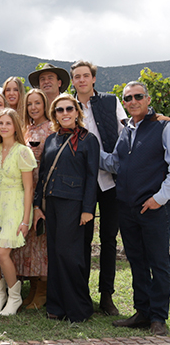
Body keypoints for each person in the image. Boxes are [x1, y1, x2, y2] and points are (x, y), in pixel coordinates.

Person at [100, 82, 170, 336]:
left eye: (138, 96)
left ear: (148, 99)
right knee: (137, 262)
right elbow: (114, 163)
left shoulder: (163, 126)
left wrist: (159, 198)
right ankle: (142, 312)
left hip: (153, 208)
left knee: (159, 262)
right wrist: (88, 146)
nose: (132, 101)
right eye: (127, 98)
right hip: (127, 208)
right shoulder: (126, 130)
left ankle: (159, 317)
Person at [33, 94, 98, 323]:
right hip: (50, 204)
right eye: (59, 110)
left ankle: (78, 309)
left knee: (70, 256)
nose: (65, 113)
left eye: (69, 108)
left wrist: (88, 209)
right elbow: (42, 175)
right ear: (54, 115)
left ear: (77, 112)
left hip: (75, 204)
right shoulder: (51, 140)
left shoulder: (88, 140)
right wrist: (37, 205)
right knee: (55, 254)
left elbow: (92, 177)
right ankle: (57, 306)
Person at [71, 60, 126, 316]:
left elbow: (126, 132)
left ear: (93, 79)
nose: (81, 80)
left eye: (85, 76)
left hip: (110, 180)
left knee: (108, 239)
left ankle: (106, 296)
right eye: (77, 77)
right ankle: (82, 294)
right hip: (80, 182)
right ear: (72, 81)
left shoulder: (110, 101)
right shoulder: (67, 104)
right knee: (81, 239)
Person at [0, 108, 36, 316]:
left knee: (2, 251)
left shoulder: (23, 151)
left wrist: (25, 220)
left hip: (16, 205)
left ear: (15, 127)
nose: (3, 126)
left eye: (8, 123)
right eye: (0, 123)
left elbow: (29, 188)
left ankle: (15, 297)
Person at [12, 89, 51, 310]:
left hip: (41, 190)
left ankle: (43, 291)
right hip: (24, 189)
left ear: (45, 104)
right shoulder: (26, 129)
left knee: (41, 241)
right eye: (29, 104)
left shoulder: (51, 128)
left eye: (37, 103)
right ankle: (34, 288)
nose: (33, 107)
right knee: (29, 243)